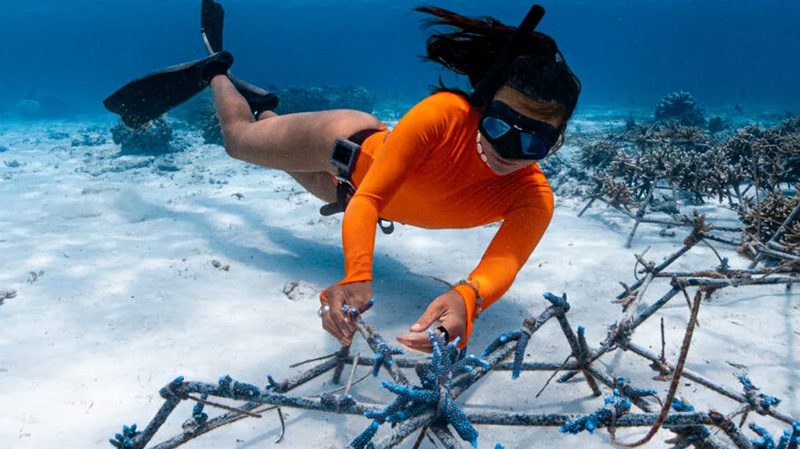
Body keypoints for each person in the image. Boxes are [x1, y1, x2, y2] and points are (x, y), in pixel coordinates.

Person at [106, 1, 581, 353]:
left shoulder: (532, 199)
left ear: (556, 142)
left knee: (270, 137)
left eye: (535, 142)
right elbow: (372, 199)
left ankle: (268, 108)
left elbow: (500, 265)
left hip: (342, 191)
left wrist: (468, 299)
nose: (508, 149)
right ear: (483, 106)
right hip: (342, 146)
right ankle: (215, 70)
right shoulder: (445, 115)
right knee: (239, 141)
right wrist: (357, 276)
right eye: (498, 125)